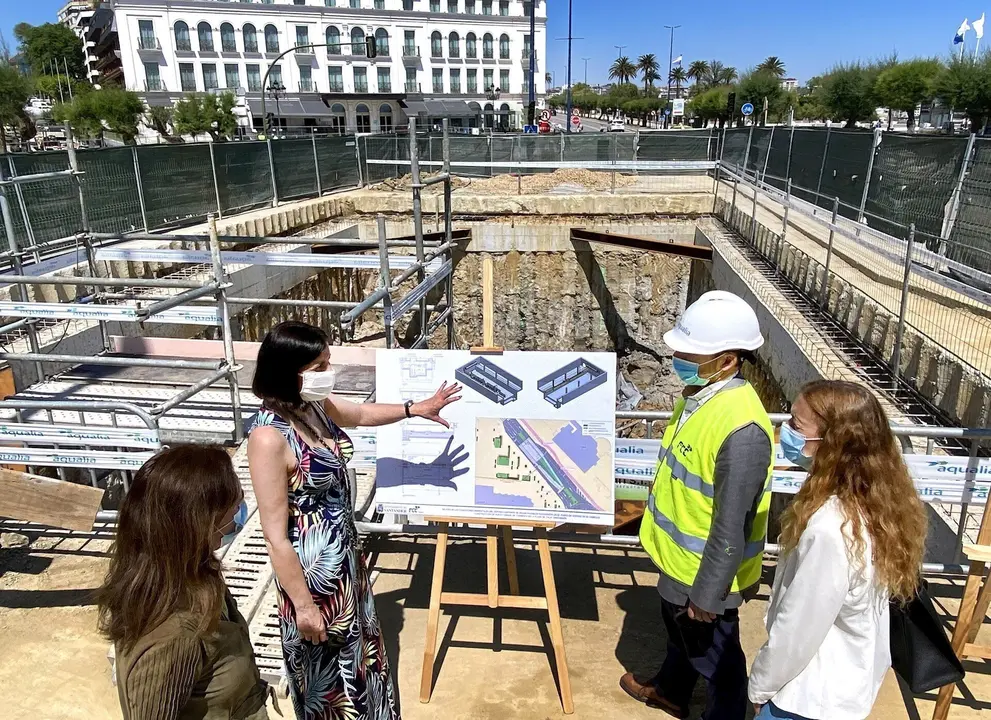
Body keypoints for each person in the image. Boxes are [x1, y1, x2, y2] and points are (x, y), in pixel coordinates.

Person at [247, 320, 460, 720]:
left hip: (347, 569)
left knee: (363, 670)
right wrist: (305, 608)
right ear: (287, 372)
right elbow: (275, 537)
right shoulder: (268, 438)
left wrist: (416, 409)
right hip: (313, 584)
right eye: (319, 367)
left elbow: (360, 414)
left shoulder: (310, 407)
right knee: (331, 688)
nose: (329, 373)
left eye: (328, 362)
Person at [621, 290, 773, 720]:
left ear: (726, 361)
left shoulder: (741, 430)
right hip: (680, 561)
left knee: (720, 664)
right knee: (679, 635)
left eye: (688, 354)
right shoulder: (699, 397)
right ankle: (671, 689)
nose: (678, 360)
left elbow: (731, 524)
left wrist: (708, 594)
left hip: (705, 577)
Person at [749, 381, 927, 720]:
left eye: (796, 426)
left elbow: (798, 627)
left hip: (806, 696)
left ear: (832, 442)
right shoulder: (877, 503)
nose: (786, 432)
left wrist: (760, 685)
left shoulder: (830, 527)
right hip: (844, 685)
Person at [97, 445, 270, 720]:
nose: (240, 512)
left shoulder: (192, 574)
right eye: (233, 508)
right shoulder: (174, 635)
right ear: (198, 523)